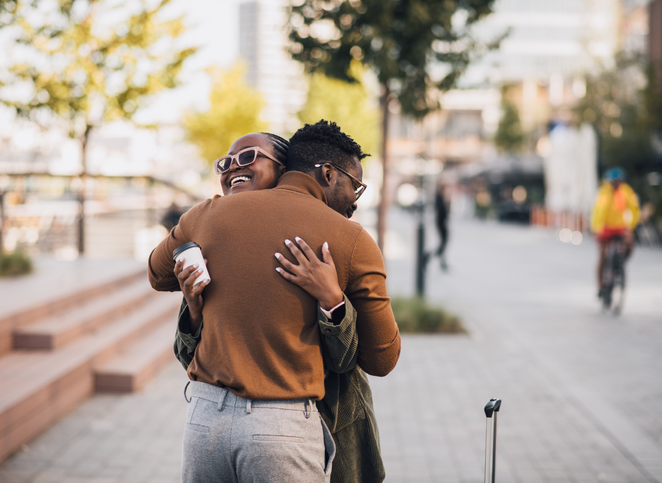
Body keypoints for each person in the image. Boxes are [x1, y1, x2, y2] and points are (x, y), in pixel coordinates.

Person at [148, 121, 400, 482]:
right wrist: (333, 300)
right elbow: (383, 358)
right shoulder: (351, 239)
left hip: (204, 422)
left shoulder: (206, 215)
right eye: (354, 185)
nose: (355, 199)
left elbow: (157, 274)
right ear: (328, 174)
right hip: (282, 425)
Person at [590, 167, 640, 298]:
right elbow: (597, 212)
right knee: (602, 256)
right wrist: (596, 229)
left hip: (620, 227)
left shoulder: (626, 191)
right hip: (604, 228)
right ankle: (601, 287)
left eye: (619, 181)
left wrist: (631, 226)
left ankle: (619, 264)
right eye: (614, 182)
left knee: (630, 243)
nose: (616, 184)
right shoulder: (603, 192)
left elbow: (634, 209)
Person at [434, 183, 450, 271]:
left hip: (442, 223)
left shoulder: (441, 197)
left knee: (443, 243)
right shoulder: (439, 197)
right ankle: (429, 256)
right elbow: (442, 212)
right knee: (442, 243)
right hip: (441, 223)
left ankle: (442, 261)